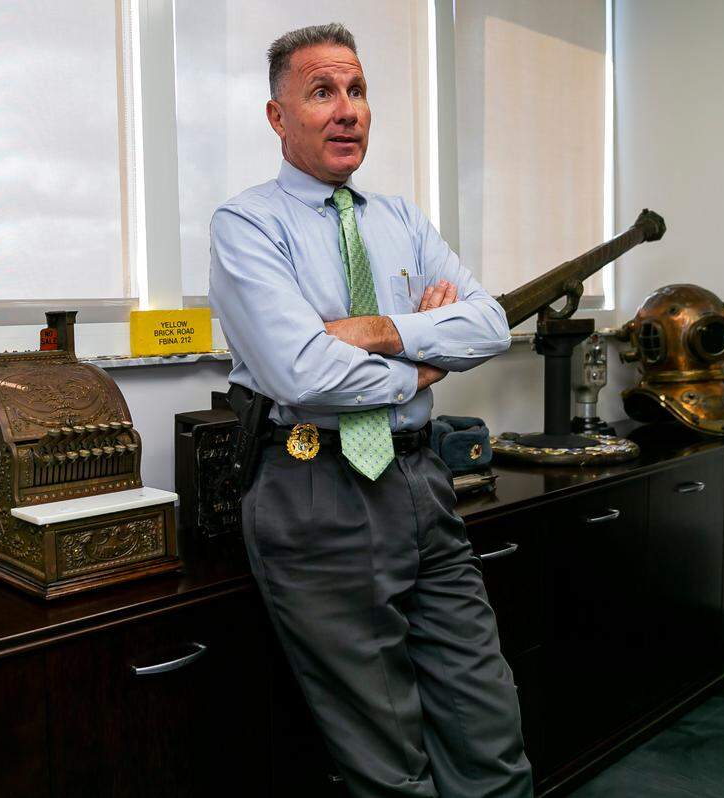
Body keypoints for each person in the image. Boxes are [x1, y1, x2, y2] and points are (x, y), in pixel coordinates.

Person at [208, 22, 534, 798]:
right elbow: (302, 372)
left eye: (356, 90)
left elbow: (490, 325)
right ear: (277, 116)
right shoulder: (248, 225)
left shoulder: (403, 221)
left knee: (489, 729)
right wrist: (424, 365)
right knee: (387, 763)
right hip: (314, 490)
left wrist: (382, 331)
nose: (347, 109)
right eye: (322, 91)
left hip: (422, 483)